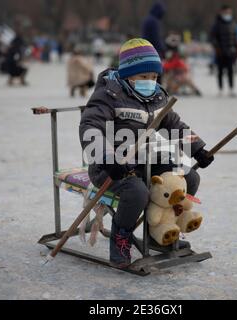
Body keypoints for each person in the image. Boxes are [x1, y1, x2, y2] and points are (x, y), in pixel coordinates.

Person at [79, 39, 214, 268]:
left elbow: (175, 125)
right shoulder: (109, 95)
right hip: (111, 166)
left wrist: (197, 148)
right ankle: (120, 240)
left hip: (148, 160)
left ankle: (160, 231)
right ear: (128, 75)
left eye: (153, 77)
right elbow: (90, 126)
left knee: (189, 178)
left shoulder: (158, 96)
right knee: (137, 192)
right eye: (143, 77)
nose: (149, 82)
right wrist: (108, 158)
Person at [210, 5, 237, 97]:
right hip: (220, 52)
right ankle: (220, 89)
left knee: (231, 71)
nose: (227, 14)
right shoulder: (217, 24)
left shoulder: (233, 24)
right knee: (220, 71)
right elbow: (212, 38)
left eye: (229, 12)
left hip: (231, 52)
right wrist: (217, 47)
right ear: (221, 13)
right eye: (226, 12)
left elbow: (235, 38)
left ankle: (231, 89)